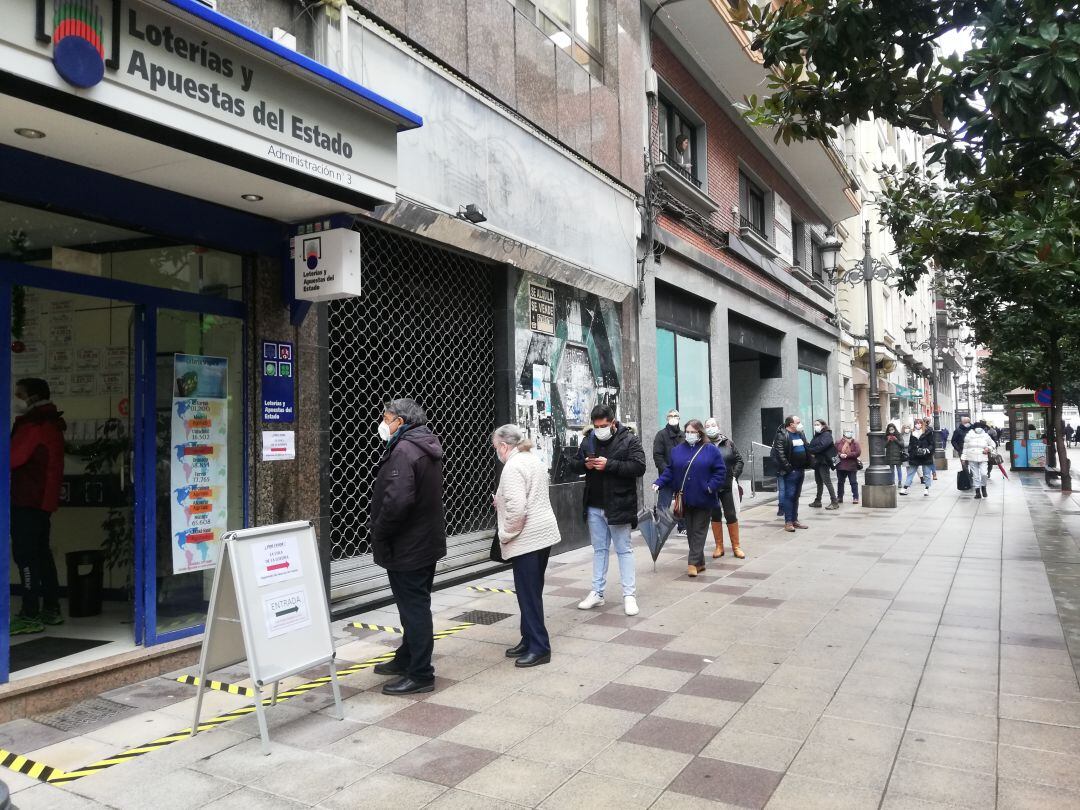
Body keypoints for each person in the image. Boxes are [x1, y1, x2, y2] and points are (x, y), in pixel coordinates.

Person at [369, 399, 447, 696]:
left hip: (408, 545)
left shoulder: (404, 451)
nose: (382, 422)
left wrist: (380, 531)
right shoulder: (425, 445)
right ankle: (406, 658)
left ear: (400, 421)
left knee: (414, 609)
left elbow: (398, 502)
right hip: (424, 542)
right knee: (412, 605)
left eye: (385, 417)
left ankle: (420, 673)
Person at [492, 424, 561, 668]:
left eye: (496, 447)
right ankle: (528, 638)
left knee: (528, 594)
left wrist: (506, 534)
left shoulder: (512, 466)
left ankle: (540, 647)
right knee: (532, 591)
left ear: (504, 445)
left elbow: (518, 509)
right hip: (543, 534)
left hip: (527, 538)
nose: (496, 453)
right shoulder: (531, 459)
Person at [573, 404, 646, 616]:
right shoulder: (589, 440)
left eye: (604, 425)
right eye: (596, 426)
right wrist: (584, 465)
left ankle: (629, 595)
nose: (600, 429)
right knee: (599, 550)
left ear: (613, 423)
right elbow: (573, 464)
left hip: (619, 504)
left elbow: (639, 467)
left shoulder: (629, 439)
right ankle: (597, 592)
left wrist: (610, 464)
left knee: (624, 550)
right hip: (594, 505)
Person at [10, 378, 66, 636]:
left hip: (28, 498)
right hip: (42, 500)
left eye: (19, 394)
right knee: (41, 553)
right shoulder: (49, 421)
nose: (15, 399)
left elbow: (12, 458)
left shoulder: (34, 425)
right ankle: (51, 608)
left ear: (31, 397)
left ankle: (30, 612)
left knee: (25, 555)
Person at [654, 420, 725, 577]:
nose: (689, 435)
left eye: (693, 432)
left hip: (704, 497)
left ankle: (692, 563)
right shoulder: (677, 450)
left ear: (700, 433)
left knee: (699, 530)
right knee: (691, 531)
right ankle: (699, 563)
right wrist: (659, 482)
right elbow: (670, 470)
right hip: (685, 498)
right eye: (687, 431)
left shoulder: (710, 450)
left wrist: (710, 487)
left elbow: (720, 472)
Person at [704, 418, 745, 559]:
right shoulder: (702, 445)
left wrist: (734, 475)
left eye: (713, 425)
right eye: (708, 426)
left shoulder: (728, 443)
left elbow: (739, 460)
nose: (711, 428)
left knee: (731, 514)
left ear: (719, 427)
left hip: (727, 486)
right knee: (715, 515)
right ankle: (719, 546)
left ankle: (736, 546)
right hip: (711, 487)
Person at [771, 415, 811, 532]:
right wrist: (789, 469)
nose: (800, 424)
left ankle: (795, 520)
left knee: (796, 496)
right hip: (791, 471)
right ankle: (788, 522)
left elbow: (807, 447)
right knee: (789, 495)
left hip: (801, 469)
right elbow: (780, 454)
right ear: (791, 424)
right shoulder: (782, 435)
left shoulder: (800, 433)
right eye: (798, 422)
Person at [652, 409, 684, 529]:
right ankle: (661, 528)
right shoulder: (661, 435)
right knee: (663, 505)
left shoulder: (683, 435)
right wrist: (668, 471)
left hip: (681, 476)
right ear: (667, 418)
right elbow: (658, 456)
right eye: (670, 415)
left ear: (679, 418)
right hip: (666, 476)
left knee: (681, 503)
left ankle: (683, 527)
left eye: (676, 416)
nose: (673, 417)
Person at [808, 419, 839, 510]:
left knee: (827, 481)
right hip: (817, 461)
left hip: (824, 462)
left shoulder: (826, 434)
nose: (815, 426)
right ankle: (818, 501)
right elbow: (812, 445)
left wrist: (810, 450)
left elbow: (822, 446)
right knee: (819, 482)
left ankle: (834, 502)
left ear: (823, 425)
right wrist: (810, 449)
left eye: (817, 424)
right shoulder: (817, 435)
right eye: (815, 424)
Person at [901, 417, 936, 496]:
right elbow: (910, 445)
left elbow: (932, 444)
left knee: (926, 473)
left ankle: (926, 489)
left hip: (926, 456)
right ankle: (904, 488)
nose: (918, 425)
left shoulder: (928, 432)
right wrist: (911, 452)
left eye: (920, 423)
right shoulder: (912, 433)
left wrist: (927, 450)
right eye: (916, 423)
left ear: (922, 424)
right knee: (911, 473)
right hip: (915, 456)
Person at [963, 422, 996, 499]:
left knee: (984, 474)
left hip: (983, 457)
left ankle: (983, 487)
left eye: (980, 427)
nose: (979, 429)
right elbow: (965, 448)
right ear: (973, 428)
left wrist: (988, 448)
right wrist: (963, 458)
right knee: (975, 476)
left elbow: (993, 444)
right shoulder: (969, 435)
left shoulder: (986, 435)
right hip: (972, 457)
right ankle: (977, 492)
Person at [835, 428, 861, 504]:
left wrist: (847, 455)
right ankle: (839, 497)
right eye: (847, 432)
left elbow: (858, 452)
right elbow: (834, 452)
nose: (849, 433)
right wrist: (840, 455)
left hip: (851, 466)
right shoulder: (838, 442)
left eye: (850, 431)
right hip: (840, 465)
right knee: (840, 482)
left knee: (853, 482)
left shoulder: (855, 442)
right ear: (843, 433)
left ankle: (855, 497)